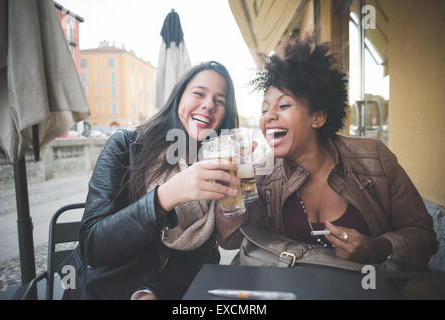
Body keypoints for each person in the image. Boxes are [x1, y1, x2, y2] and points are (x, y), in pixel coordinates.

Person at [216, 38, 438, 271]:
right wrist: (231, 187)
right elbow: (231, 241)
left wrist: (377, 248)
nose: (268, 116)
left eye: (283, 106)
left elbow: (423, 236)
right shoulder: (261, 175)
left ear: (318, 118)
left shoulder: (375, 159)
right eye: (264, 109)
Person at [61, 61, 241, 300]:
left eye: (220, 101)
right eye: (199, 93)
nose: (209, 105)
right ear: (178, 97)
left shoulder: (217, 163)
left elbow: (204, 253)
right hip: (102, 291)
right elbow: (93, 246)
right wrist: (163, 198)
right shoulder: (126, 146)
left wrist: (152, 291)